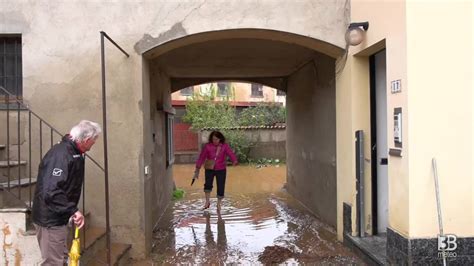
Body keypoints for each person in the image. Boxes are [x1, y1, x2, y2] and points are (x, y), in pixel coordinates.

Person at [32, 120, 101, 265]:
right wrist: (73, 210)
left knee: (61, 259)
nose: (92, 145)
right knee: (53, 262)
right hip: (51, 219)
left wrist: (70, 211)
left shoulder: (74, 152)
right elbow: (51, 191)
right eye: (93, 142)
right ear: (86, 140)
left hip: (59, 217)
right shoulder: (61, 155)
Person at [194, 131, 237, 211]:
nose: (215, 141)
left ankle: (218, 204)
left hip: (221, 169)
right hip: (209, 169)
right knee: (207, 185)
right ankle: (207, 202)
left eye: (216, 139)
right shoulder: (207, 146)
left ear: (220, 139)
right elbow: (201, 157)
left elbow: (230, 153)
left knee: (221, 186)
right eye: (213, 139)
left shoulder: (225, 146)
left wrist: (234, 160)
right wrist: (197, 169)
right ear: (211, 139)